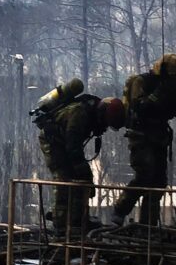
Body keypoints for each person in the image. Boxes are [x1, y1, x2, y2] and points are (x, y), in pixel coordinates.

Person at [111, 54, 176, 226]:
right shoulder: (142, 82)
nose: (175, 82)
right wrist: (158, 94)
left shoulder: (169, 88)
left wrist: (172, 95)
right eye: (173, 78)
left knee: (159, 182)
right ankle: (119, 211)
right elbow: (140, 107)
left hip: (159, 138)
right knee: (144, 176)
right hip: (140, 137)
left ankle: (148, 223)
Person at [38, 95, 125, 231]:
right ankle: (60, 224)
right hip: (53, 142)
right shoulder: (79, 114)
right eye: (106, 123)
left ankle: (77, 220)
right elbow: (73, 147)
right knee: (63, 177)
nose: (104, 127)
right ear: (102, 114)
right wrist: (84, 172)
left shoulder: (90, 114)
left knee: (79, 179)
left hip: (64, 142)